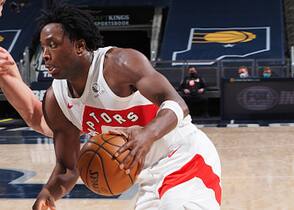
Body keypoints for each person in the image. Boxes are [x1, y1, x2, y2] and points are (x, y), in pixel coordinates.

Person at [33, 4, 221, 210]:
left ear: (79, 46)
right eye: (43, 47)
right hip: (147, 176)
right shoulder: (56, 100)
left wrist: (147, 134)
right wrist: (48, 194)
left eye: (52, 45)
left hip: (184, 157)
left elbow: (177, 103)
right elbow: (67, 169)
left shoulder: (119, 64)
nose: (45, 55)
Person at [0, 0, 53, 137]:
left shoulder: (3, 61)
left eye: (1, 5)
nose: (0, 13)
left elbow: (36, 116)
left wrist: (86, 127)